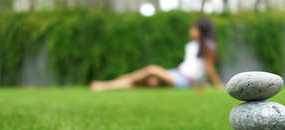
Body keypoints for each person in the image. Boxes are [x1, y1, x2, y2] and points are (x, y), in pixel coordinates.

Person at [90, 18, 223, 91]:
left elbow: (209, 68)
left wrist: (218, 85)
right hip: (176, 73)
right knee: (149, 82)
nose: (191, 30)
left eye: (194, 27)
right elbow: (196, 67)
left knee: (152, 70)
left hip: (184, 80)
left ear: (202, 30)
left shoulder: (209, 47)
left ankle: (106, 85)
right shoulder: (193, 45)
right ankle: (106, 86)